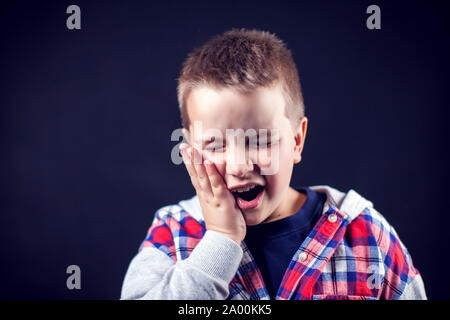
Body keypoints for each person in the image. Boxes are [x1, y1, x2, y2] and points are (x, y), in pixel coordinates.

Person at [120, 28, 427, 300]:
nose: (239, 166)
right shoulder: (171, 234)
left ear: (296, 140)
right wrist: (220, 241)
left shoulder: (366, 236)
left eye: (260, 140)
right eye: (215, 144)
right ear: (189, 151)